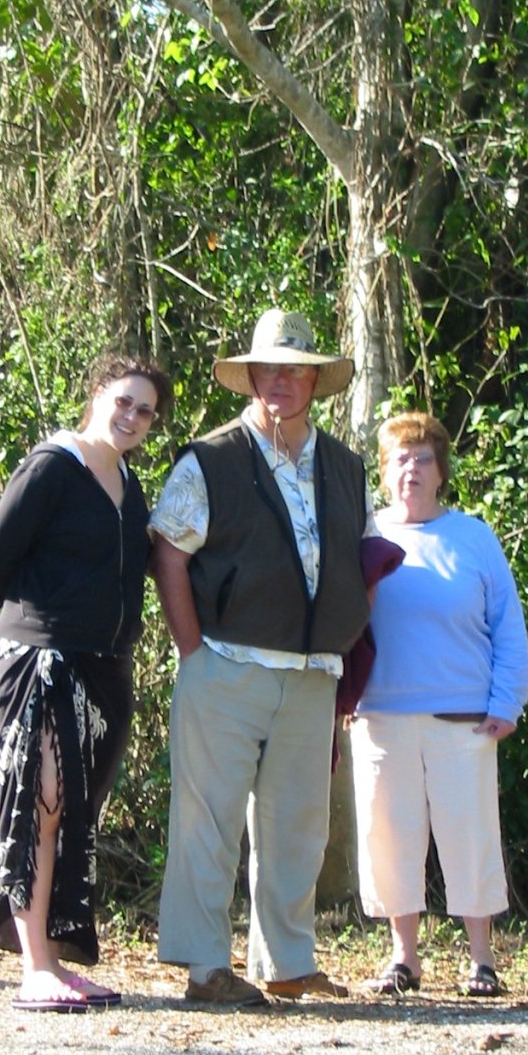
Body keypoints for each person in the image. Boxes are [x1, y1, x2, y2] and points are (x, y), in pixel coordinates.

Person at [150, 307, 376, 1006]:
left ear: (315, 382)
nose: (281, 380)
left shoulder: (345, 465)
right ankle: (205, 967)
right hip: (226, 663)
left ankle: (287, 962)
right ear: (250, 377)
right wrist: (196, 655)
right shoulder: (210, 458)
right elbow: (169, 552)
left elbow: (362, 560)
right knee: (207, 819)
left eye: (296, 370)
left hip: (311, 675)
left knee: (298, 827)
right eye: (269, 368)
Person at [0, 355, 172, 1013]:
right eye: (124, 401)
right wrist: (43, 619)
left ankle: (53, 960)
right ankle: (33, 967)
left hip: (103, 670)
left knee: (71, 813)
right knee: (42, 805)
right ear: (96, 394)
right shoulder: (54, 466)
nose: (132, 417)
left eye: (145, 411)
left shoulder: (129, 484)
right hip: (43, 662)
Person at [348, 412, 528, 998]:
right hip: (379, 716)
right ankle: (404, 958)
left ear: (441, 471)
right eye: (400, 458)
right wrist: (338, 697)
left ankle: (482, 959)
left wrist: (507, 700)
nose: (412, 469)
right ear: (384, 471)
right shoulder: (365, 538)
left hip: (464, 718)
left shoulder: (474, 537)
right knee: (390, 837)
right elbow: (339, 626)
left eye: (423, 458)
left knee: (469, 834)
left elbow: (508, 627)